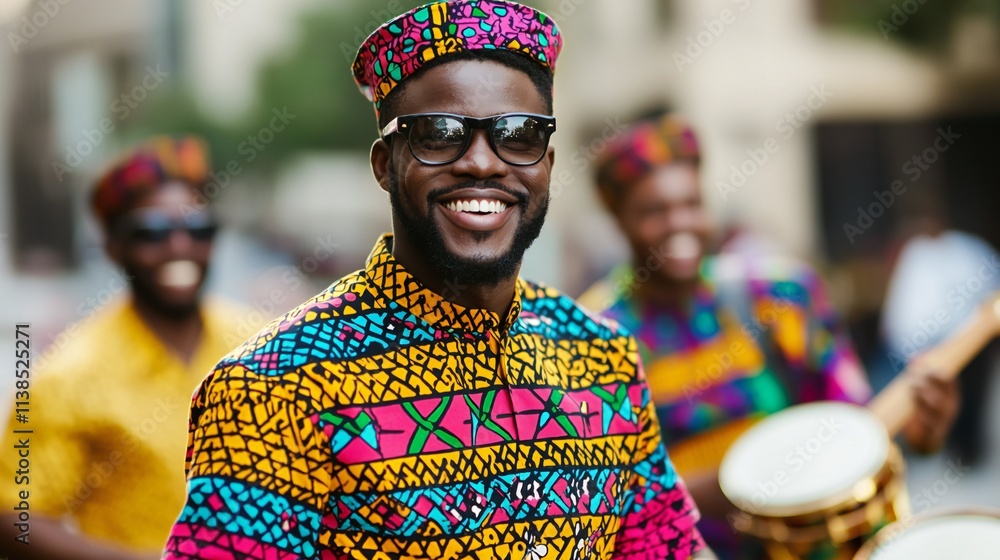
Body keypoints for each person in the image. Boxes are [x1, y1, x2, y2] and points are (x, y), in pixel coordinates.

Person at [162, 2, 714, 559]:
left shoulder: (604, 357)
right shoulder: (272, 389)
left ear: (546, 162)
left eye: (518, 134)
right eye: (439, 133)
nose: (481, 163)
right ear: (384, 162)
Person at [578, 114, 959, 559]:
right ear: (618, 219)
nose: (679, 224)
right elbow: (603, 500)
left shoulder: (780, 296)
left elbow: (851, 424)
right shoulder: (590, 335)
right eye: (653, 211)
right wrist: (739, 484)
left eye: (691, 203)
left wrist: (920, 432)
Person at [0, 137, 244, 559]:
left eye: (198, 228)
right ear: (115, 247)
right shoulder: (67, 375)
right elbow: (16, 521)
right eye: (152, 232)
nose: (179, 247)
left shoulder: (262, 344)